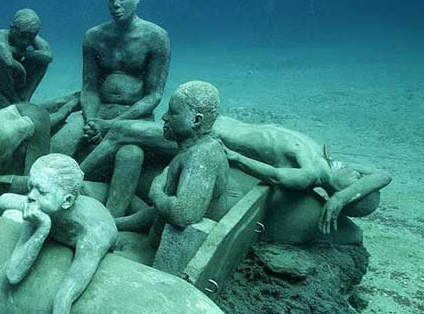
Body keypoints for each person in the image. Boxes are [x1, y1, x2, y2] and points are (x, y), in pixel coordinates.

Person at [0, 154, 118, 314]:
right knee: (6, 204)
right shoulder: (41, 206)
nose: (31, 195)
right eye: (30, 186)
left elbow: (65, 297)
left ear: (67, 200)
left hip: (84, 231)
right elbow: (13, 274)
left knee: (9, 210)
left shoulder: (95, 233)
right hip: (54, 219)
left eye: (40, 190)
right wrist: (42, 228)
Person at [51, 0, 170, 218]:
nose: (116, 5)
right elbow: (90, 87)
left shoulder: (156, 37)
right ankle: (51, 194)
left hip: (136, 115)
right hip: (98, 110)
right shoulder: (94, 37)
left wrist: (112, 125)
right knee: (62, 142)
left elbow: (154, 95)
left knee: (131, 154)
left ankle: (111, 219)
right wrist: (91, 119)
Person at [215, 116, 391, 234]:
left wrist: (235, 157)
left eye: (357, 180)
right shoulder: (324, 161)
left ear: (341, 191)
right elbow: (383, 175)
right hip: (226, 120)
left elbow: (275, 175)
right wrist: (343, 197)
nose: (357, 173)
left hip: (219, 131)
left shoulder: (308, 175)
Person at [145, 82, 229, 274]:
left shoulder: (202, 155)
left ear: (196, 120)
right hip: (155, 238)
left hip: (168, 260)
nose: (164, 117)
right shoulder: (194, 149)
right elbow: (160, 212)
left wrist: (155, 190)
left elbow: (183, 214)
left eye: (173, 112)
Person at [0, 9, 52, 112]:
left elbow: (48, 55)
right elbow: (7, 61)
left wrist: (20, 52)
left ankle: (24, 100)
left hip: (13, 80)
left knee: (41, 61)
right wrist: (22, 71)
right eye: (22, 35)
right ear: (12, 28)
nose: (25, 41)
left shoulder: (30, 35)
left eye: (31, 37)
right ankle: (15, 102)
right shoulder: (1, 34)